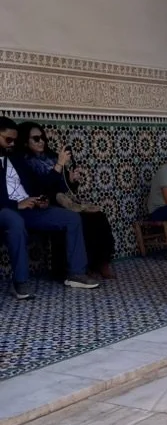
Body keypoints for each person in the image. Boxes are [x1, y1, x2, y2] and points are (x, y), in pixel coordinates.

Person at [0, 117, 99, 298]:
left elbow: (39, 185)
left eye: (14, 140)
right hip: (6, 210)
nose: (12, 144)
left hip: (28, 209)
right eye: (8, 139)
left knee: (71, 218)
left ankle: (76, 273)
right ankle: (21, 282)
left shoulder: (17, 159)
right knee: (14, 221)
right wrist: (16, 204)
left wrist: (40, 199)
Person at [17, 121, 116, 279]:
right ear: (25, 141)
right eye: (35, 138)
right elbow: (41, 188)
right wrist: (59, 165)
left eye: (42, 137)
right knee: (78, 220)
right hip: (44, 204)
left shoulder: (51, 157)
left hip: (63, 201)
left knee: (98, 217)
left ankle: (100, 261)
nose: (41, 141)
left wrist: (71, 180)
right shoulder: (24, 162)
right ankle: (75, 269)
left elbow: (63, 188)